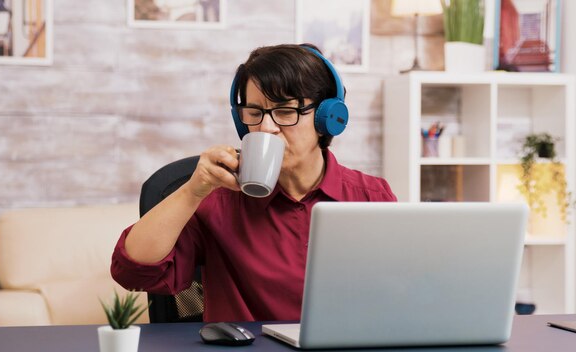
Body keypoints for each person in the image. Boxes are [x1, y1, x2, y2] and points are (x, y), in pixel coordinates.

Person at [111, 43, 397, 323]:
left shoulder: (371, 196)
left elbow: (398, 292)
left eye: (286, 111)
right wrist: (192, 190)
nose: (266, 128)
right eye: (255, 112)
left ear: (328, 119)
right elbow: (133, 274)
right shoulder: (217, 199)